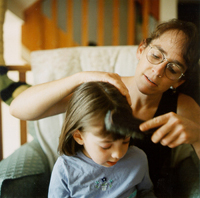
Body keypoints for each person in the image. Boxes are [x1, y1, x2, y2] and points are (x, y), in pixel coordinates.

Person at [10, 19, 200, 196]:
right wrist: (79, 78)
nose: (158, 71)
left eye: (173, 69)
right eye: (156, 55)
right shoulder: (104, 94)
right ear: (141, 50)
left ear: (180, 81)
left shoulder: (182, 106)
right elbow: (18, 109)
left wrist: (199, 138)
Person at [48, 81, 156, 198]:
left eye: (125, 141)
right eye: (106, 146)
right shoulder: (65, 168)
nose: (118, 154)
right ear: (79, 136)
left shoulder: (138, 159)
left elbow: (147, 192)